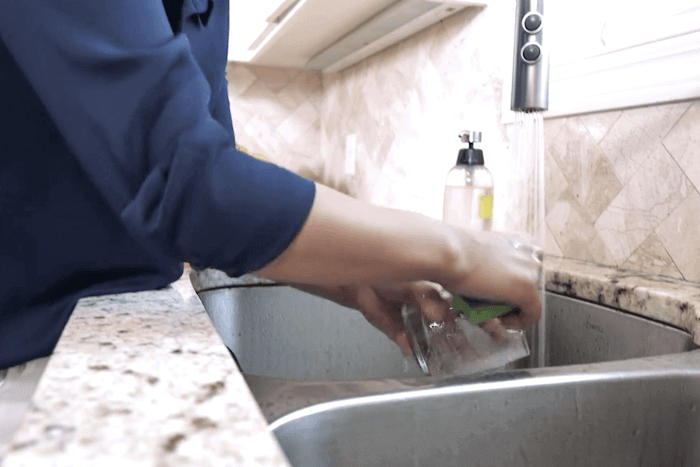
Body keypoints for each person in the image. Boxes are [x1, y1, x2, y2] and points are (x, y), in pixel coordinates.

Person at [0, 0, 541, 371]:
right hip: (27, 350)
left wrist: (355, 276)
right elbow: (188, 185)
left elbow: (214, 175)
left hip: (115, 329)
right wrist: (455, 250)